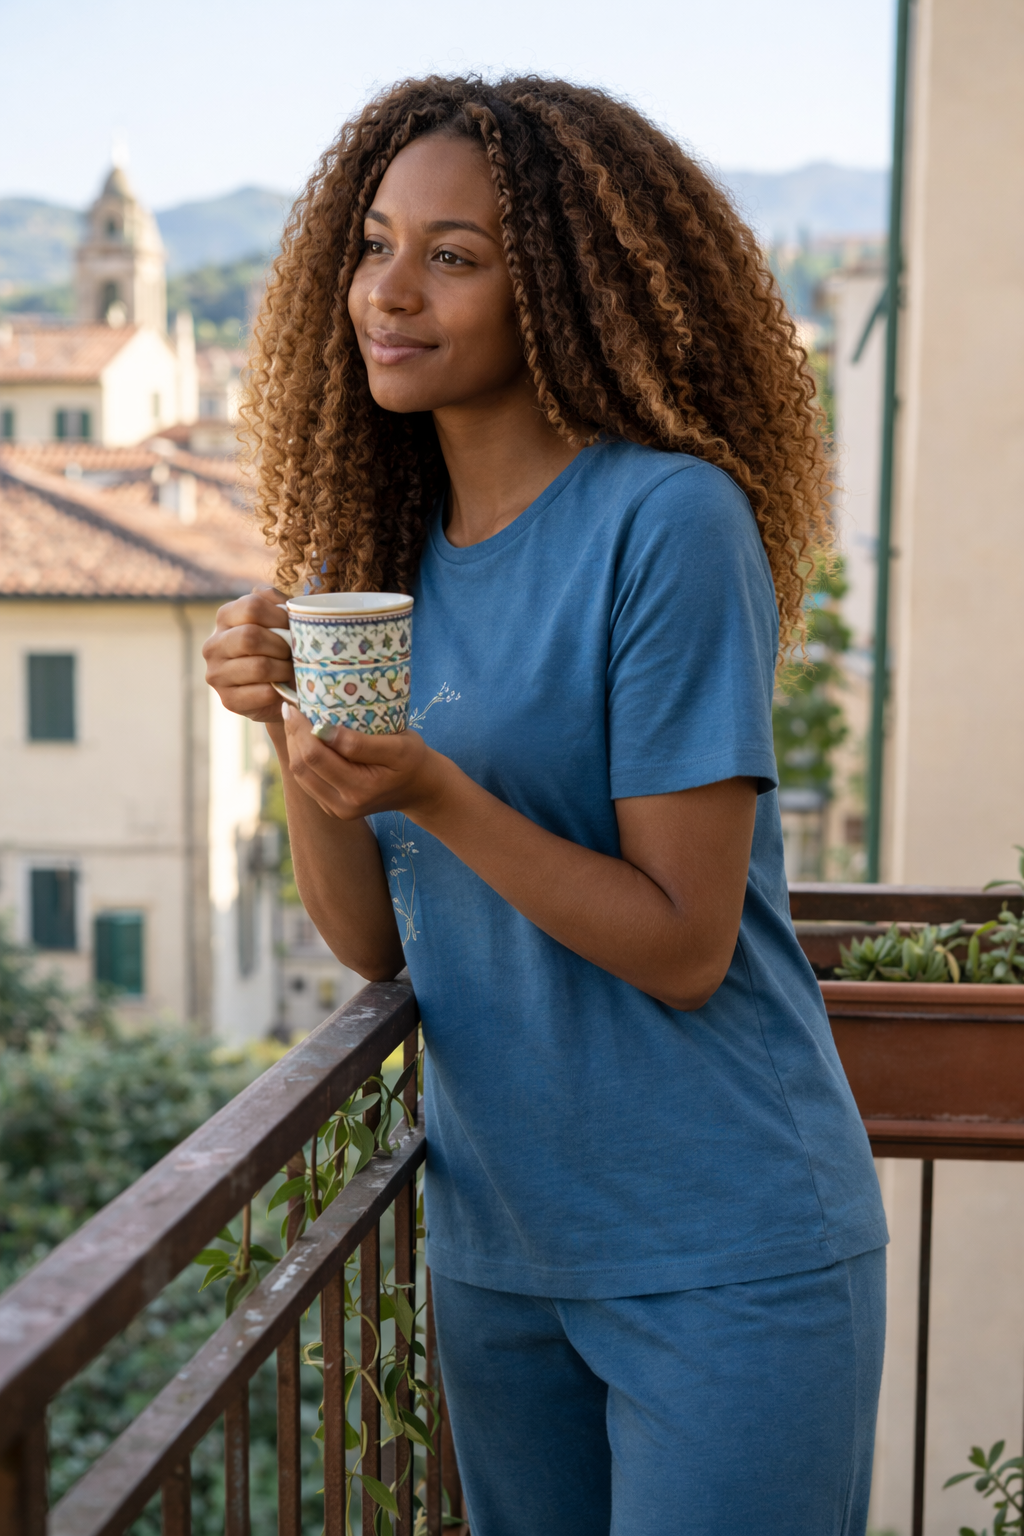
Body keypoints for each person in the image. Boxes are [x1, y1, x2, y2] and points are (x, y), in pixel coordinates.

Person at [203, 76, 887, 1536]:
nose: (390, 292)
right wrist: (289, 725)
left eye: (454, 256)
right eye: (374, 244)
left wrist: (439, 791)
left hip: (725, 1246)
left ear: (563, 293)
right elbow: (375, 947)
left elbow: (683, 943)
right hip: (503, 1245)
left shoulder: (669, 523)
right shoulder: (384, 560)